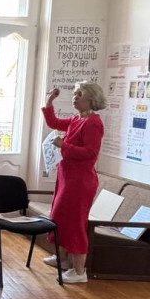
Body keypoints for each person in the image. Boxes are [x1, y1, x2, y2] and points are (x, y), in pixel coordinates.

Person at [42, 82, 106, 283]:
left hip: (80, 181)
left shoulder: (93, 123)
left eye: (80, 94)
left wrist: (64, 145)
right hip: (67, 177)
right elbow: (53, 122)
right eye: (75, 93)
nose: (75, 97)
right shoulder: (77, 119)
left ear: (91, 99)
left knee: (75, 223)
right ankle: (62, 259)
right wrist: (49, 102)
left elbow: (90, 153)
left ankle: (79, 271)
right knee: (60, 217)